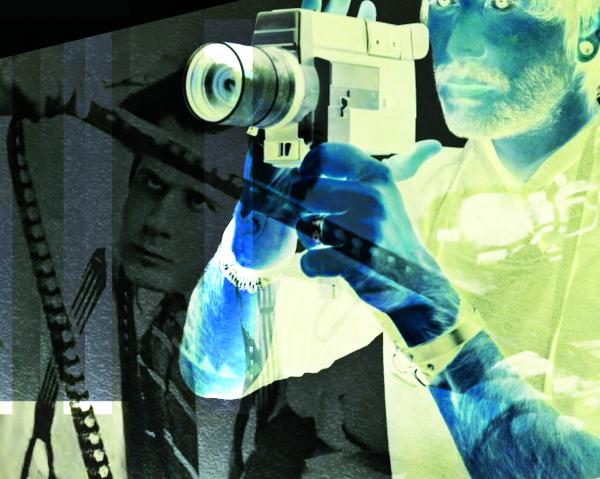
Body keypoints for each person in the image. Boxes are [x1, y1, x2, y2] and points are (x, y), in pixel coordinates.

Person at [180, 0, 600, 477]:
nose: (460, 44)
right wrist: (254, 242)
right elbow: (216, 373)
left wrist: (425, 309)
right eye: (444, 3)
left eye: (502, 4)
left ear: (590, 26)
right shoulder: (416, 193)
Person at [0, 56, 237, 477]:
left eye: (198, 202)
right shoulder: (80, 295)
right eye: (152, 184)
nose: (157, 222)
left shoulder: (293, 346)